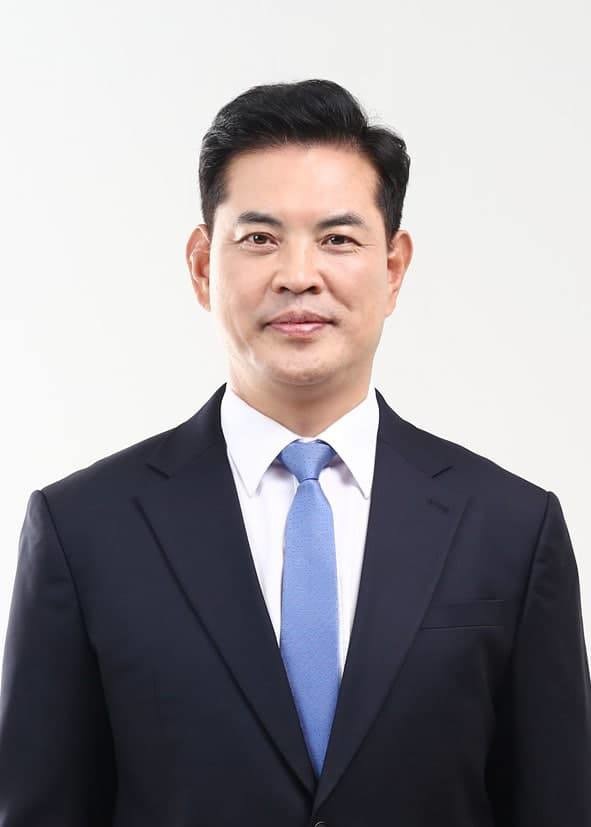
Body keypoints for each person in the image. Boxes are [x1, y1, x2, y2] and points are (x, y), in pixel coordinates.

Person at [0, 78, 589, 827]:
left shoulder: (511, 528)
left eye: (338, 239)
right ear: (202, 265)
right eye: (259, 238)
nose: (299, 275)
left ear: (393, 267)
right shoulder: (83, 530)